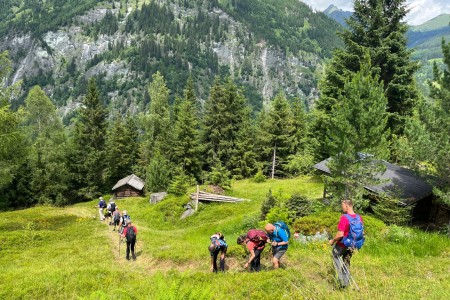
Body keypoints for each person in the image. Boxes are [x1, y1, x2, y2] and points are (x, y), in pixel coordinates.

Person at [328, 199, 364, 288]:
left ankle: (340, 280)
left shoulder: (344, 217)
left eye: (342, 206)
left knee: (335, 256)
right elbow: (362, 233)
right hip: (353, 245)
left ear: (347, 206)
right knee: (346, 262)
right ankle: (345, 284)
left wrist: (332, 241)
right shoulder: (359, 217)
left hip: (342, 244)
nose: (342, 208)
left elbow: (340, 234)